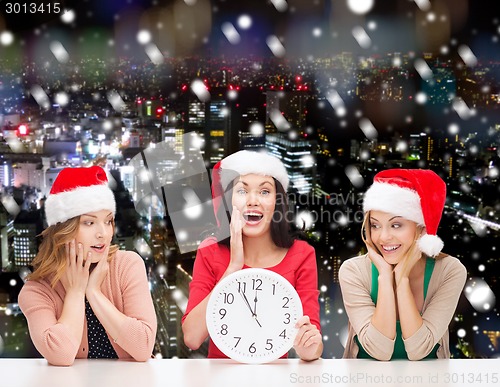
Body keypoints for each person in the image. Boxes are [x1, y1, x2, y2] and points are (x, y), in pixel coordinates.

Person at [182, 150, 323, 361]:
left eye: (265, 192)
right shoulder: (210, 251)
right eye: (242, 191)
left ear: (277, 202)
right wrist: (233, 269)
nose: (253, 201)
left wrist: (309, 347)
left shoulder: (302, 254)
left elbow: (314, 345)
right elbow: (192, 338)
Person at [18, 166, 157, 366]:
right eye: (89, 223)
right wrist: (76, 291)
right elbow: (61, 356)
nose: (103, 233)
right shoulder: (37, 291)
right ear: (64, 229)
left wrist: (93, 292)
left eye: (108, 221)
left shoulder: (127, 265)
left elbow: (143, 347)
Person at [339, 169, 467, 360]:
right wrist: (384, 275)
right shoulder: (353, 271)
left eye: (396, 225)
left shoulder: (449, 271)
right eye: (375, 225)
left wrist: (402, 278)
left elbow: (418, 350)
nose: (383, 237)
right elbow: (379, 351)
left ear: (421, 229)